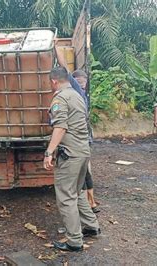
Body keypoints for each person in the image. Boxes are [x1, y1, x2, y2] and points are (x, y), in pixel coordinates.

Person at [43, 67, 100, 252]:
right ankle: (91, 225)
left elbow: (60, 127)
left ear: (53, 82)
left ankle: (74, 241)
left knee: (66, 197)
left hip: (70, 154)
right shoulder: (77, 95)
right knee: (77, 191)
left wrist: (49, 152)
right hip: (83, 151)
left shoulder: (60, 98)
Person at [72, 69, 99, 213]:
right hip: (85, 138)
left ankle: (88, 203)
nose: (83, 84)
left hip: (81, 139)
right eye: (80, 81)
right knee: (86, 170)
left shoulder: (79, 94)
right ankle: (91, 202)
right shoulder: (82, 94)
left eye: (84, 81)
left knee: (83, 172)